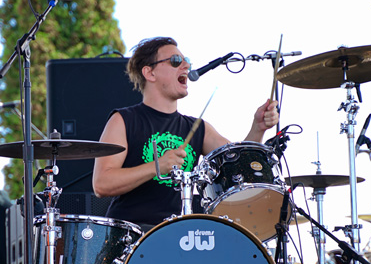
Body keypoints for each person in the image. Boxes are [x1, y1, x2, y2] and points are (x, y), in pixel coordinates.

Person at [92, 36, 279, 230]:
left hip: (180, 235)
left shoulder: (198, 127)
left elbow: (240, 165)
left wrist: (258, 129)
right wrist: (157, 166)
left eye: (186, 61)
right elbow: (102, 184)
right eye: (175, 61)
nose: (186, 66)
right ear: (150, 72)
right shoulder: (123, 120)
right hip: (131, 234)